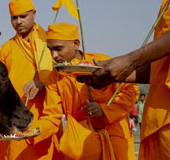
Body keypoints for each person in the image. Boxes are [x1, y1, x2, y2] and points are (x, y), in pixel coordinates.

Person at [78, 0, 170, 159]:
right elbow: (159, 68)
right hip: (158, 117)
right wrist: (113, 75)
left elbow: (129, 93)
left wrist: (130, 60)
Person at [45, 22, 139, 160]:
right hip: (81, 143)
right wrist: (32, 132)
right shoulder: (55, 76)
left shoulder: (100, 63)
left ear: (76, 44)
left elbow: (131, 91)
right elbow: (51, 115)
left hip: (113, 137)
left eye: (58, 49)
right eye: (50, 50)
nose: (54, 55)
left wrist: (105, 110)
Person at [0, 0, 63, 160]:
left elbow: (64, 76)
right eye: (14, 18)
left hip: (46, 115)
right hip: (16, 120)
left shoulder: (51, 43)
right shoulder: (6, 49)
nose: (18, 21)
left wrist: (43, 83)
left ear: (34, 14)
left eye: (23, 16)